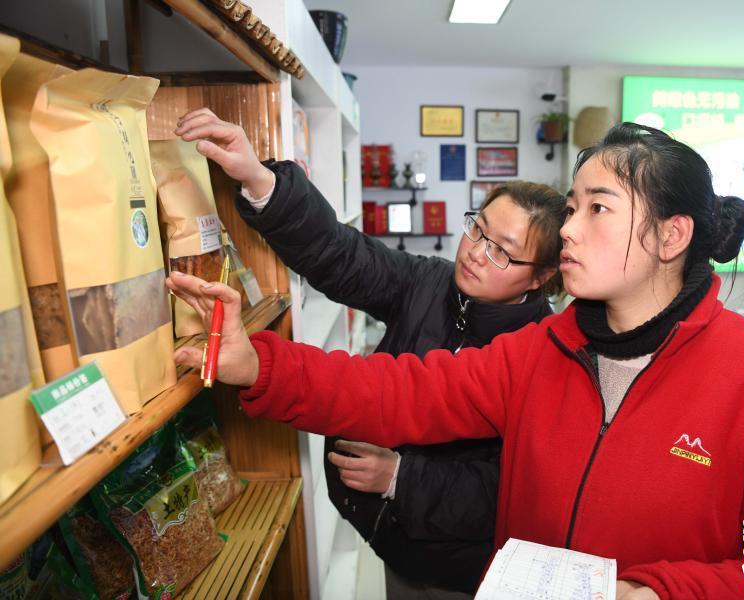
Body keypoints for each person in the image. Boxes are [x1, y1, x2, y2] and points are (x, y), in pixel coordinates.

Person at [169, 123, 744, 599]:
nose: (569, 229)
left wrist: (653, 593)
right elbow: (396, 392)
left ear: (670, 236)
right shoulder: (544, 350)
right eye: (571, 207)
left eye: (598, 209)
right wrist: (257, 366)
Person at [174, 108, 567, 597]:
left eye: (501, 251)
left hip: (459, 567)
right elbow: (343, 255)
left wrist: (401, 478)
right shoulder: (430, 282)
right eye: (477, 228)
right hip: (390, 539)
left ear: (541, 277)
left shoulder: (542, 353)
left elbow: (509, 490)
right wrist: (259, 179)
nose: (474, 251)